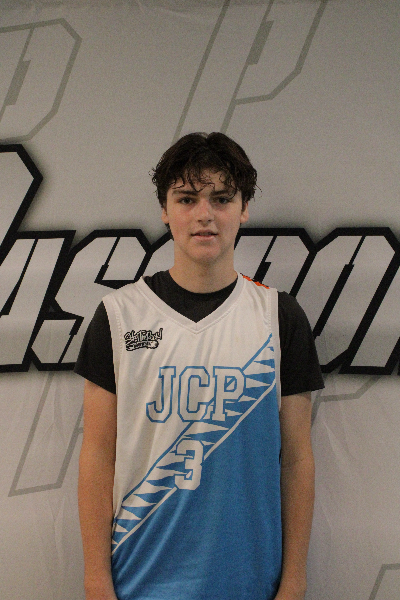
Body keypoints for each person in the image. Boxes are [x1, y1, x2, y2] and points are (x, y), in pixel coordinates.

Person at [76, 132, 324, 600]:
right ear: (165, 209)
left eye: (222, 198)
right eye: (187, 198)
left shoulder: (278, 316)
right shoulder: (120, 315)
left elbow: (296, 459)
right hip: (137, 579)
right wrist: (96, 580)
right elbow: (97, 457)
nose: (204, 214)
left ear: (244, 208)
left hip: (251, 580)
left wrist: (294, 580)